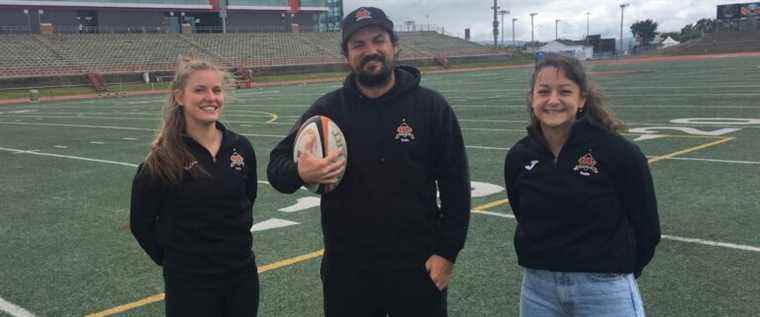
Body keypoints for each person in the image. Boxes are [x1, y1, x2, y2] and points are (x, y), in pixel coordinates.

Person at [267, 7, 470, 317]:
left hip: (417, 266)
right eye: (358, 44)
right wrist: (299, 171)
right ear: (347, 55)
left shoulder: (431, 107)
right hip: (347, 271)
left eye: (378, 40)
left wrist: (447, 253)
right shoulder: (327, 110)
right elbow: (276, 167)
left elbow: (456, 186)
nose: (370, 50)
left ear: (394, 45)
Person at [504, 53, 661, 317]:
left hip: (605, 289)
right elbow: (522, 213)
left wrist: (614, 271)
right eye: (544, 91)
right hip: (538, 290)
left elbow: (647, 228)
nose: (553, 100)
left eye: (564, 91)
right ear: (532, 99)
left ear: (581, 100)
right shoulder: (519, 156)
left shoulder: (618, 152)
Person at [130, 55, 259, 316]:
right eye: (199, 90)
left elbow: (248, 199)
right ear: (179, 96)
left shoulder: (241, 147)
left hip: (241, 275)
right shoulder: (162, 158)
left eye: (216, 90)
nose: (210, 97)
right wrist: (175, 261)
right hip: (190, 283)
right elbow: (141, 224)